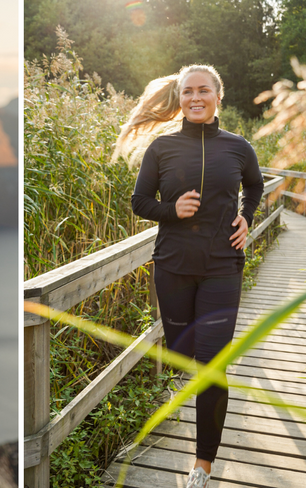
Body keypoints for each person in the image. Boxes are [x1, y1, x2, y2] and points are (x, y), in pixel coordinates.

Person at [115, 65, 263, 487]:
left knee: (212, 367)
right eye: (187, 92)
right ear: (179, 98)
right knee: (184, 351)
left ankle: (202, 465)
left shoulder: (238, 148)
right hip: (173, 269)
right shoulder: (162, 148)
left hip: (222, 268)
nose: (195, 97)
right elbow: (139, 201)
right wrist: (171, 210)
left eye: (203, 90)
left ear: (218, 95)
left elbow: (254, 187)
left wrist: (247, 217)